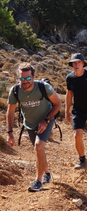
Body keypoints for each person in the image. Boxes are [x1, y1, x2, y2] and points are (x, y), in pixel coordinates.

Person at [6, 63, 62, 191]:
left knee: (38, 145)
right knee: (38, 150)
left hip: (46, 120)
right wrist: (9, 132)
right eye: (21, 78)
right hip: (30, 124)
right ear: (18, 78)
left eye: (27, 78)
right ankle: (47, 173)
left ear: (33, 77)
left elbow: (58, 104)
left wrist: (46, 120)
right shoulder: (15, 91)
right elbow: (10, 112)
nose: (24, 81)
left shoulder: (44, 87)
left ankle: (38, 181)